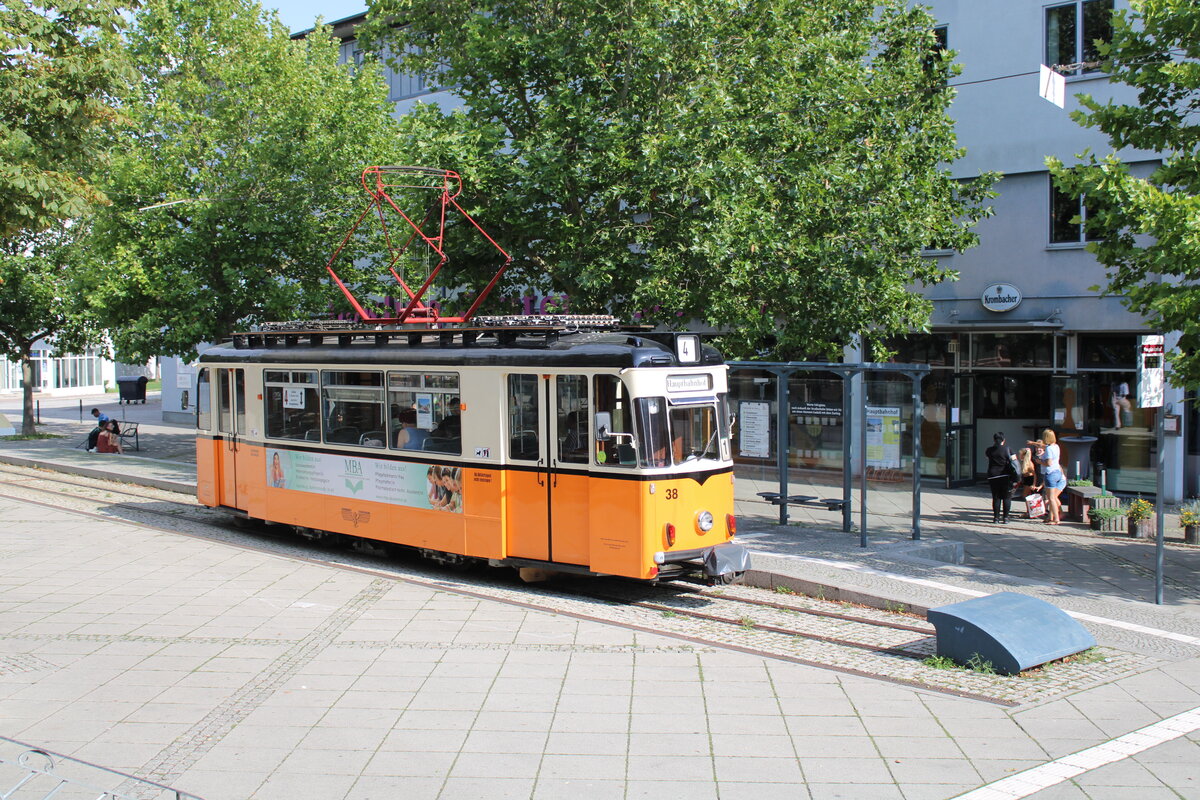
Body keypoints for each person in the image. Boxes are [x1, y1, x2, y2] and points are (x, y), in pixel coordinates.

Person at [1029, 428, 1066, 525]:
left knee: (1051, 498)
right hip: (1057, 472)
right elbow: (1044, 446)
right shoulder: (1056, 446)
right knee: (1052, 497)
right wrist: (1033, 443)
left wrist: (1039, 461)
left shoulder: (1049, 449)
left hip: (1050, 473)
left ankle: (1056, 519)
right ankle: (1051, 517)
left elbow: (1049, 463)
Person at [984, 432, 1018, 524]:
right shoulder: (1008, 449)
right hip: (1005, 475)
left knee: (996, 497)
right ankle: (1006, 518)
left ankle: (996, 518)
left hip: (993, 475)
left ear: (994, 440)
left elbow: (988, 458)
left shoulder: (989, 450)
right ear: (1004, 440)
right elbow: (1015, 462)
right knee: (1007, 497)